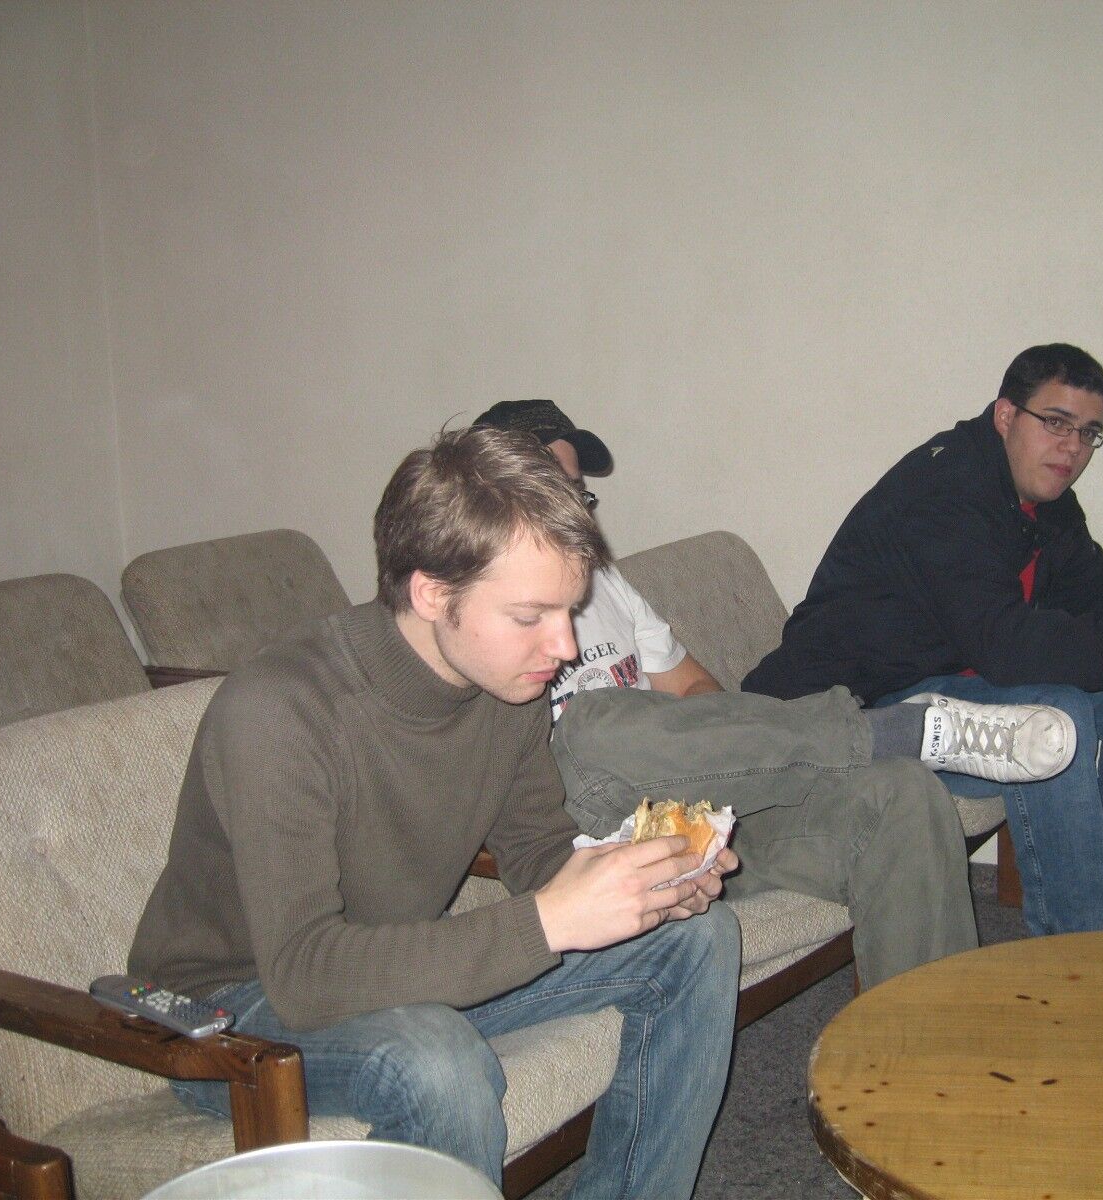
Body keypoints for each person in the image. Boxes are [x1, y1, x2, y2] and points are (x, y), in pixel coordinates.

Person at [129, 427, 741, 1200]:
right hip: (230, 1010)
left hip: (389, 971)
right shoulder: (280, 710)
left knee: (697, 938)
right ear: (430, 594)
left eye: (570, 610)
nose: (563, 646)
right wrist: (553, 920)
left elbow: (537, 850)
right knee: (436, 1061)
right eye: (531, 615)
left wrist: (643, 884)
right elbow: (305, 976)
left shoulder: (506, 682)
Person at [473, 400, 1075, 989]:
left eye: (580, 496)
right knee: (593, 721)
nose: (579, 516)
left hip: (683, 818)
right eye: (556, 493)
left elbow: (696, 689)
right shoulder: (477, 611)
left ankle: (923, 1049)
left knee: (901, 792)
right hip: (586, 825)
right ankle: (902, 730)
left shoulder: (606, 583)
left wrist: (721, 780)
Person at [743, 343, 1103, 937]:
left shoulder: (1042, 498)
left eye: (1089, 432)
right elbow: (1009, 649)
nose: (1072, 447)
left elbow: (1097, 592)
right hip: (860, 712)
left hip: (942, 685)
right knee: (1051, 715)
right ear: (1006, 415)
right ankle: (1078, 941)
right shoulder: (945, 491)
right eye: (1056, 422)